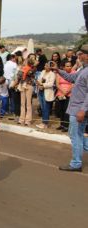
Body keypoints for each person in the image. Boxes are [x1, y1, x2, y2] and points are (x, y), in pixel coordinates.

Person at [55, 44, 88, 172]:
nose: (78, 56)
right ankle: (76, 162)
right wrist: (58, 70)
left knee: (75, 136)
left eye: (81, 54)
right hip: (77, 108)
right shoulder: (83, 69)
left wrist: (83, 110)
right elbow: (72, 78)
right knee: (78, 134)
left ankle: (76, 163)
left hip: (79, 109)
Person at [35, 63, 56, 129]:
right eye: (45, 65)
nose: (45, 66)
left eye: (46, 65)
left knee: (46, 108)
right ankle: (43, 122)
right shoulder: (43, 72)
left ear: (50, 67)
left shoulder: (52, 74)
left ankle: (45, 123)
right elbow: (39, 79)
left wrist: (42, 85)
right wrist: (38, 83)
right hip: (41, 91)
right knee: (42, 107)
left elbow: (51, 84)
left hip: (47, 92)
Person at [55, 61, 74, 132]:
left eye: (70, 66)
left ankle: (66, 126)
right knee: (61, 110)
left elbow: (73, 84)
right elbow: (57, 84)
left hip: (69, 94)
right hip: (60, 94)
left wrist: (67, 91)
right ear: (64, 67)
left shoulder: (73, 73)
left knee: (67, 110)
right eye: (67, 66)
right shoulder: (59, 74)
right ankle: (62, 124)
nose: (69, 67)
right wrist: (62, 91)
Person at [18, 58, 36, 126]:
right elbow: (19, 75)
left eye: (25, 61)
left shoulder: (33, 69)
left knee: (28, 104)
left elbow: (30, 73)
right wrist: (22, 68)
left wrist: (23, 69)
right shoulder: (23, 68)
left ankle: (28, 120)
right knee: (22, 103)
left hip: (29, 85)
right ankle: (21, 119)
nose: (24, 62)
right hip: (22, 85)